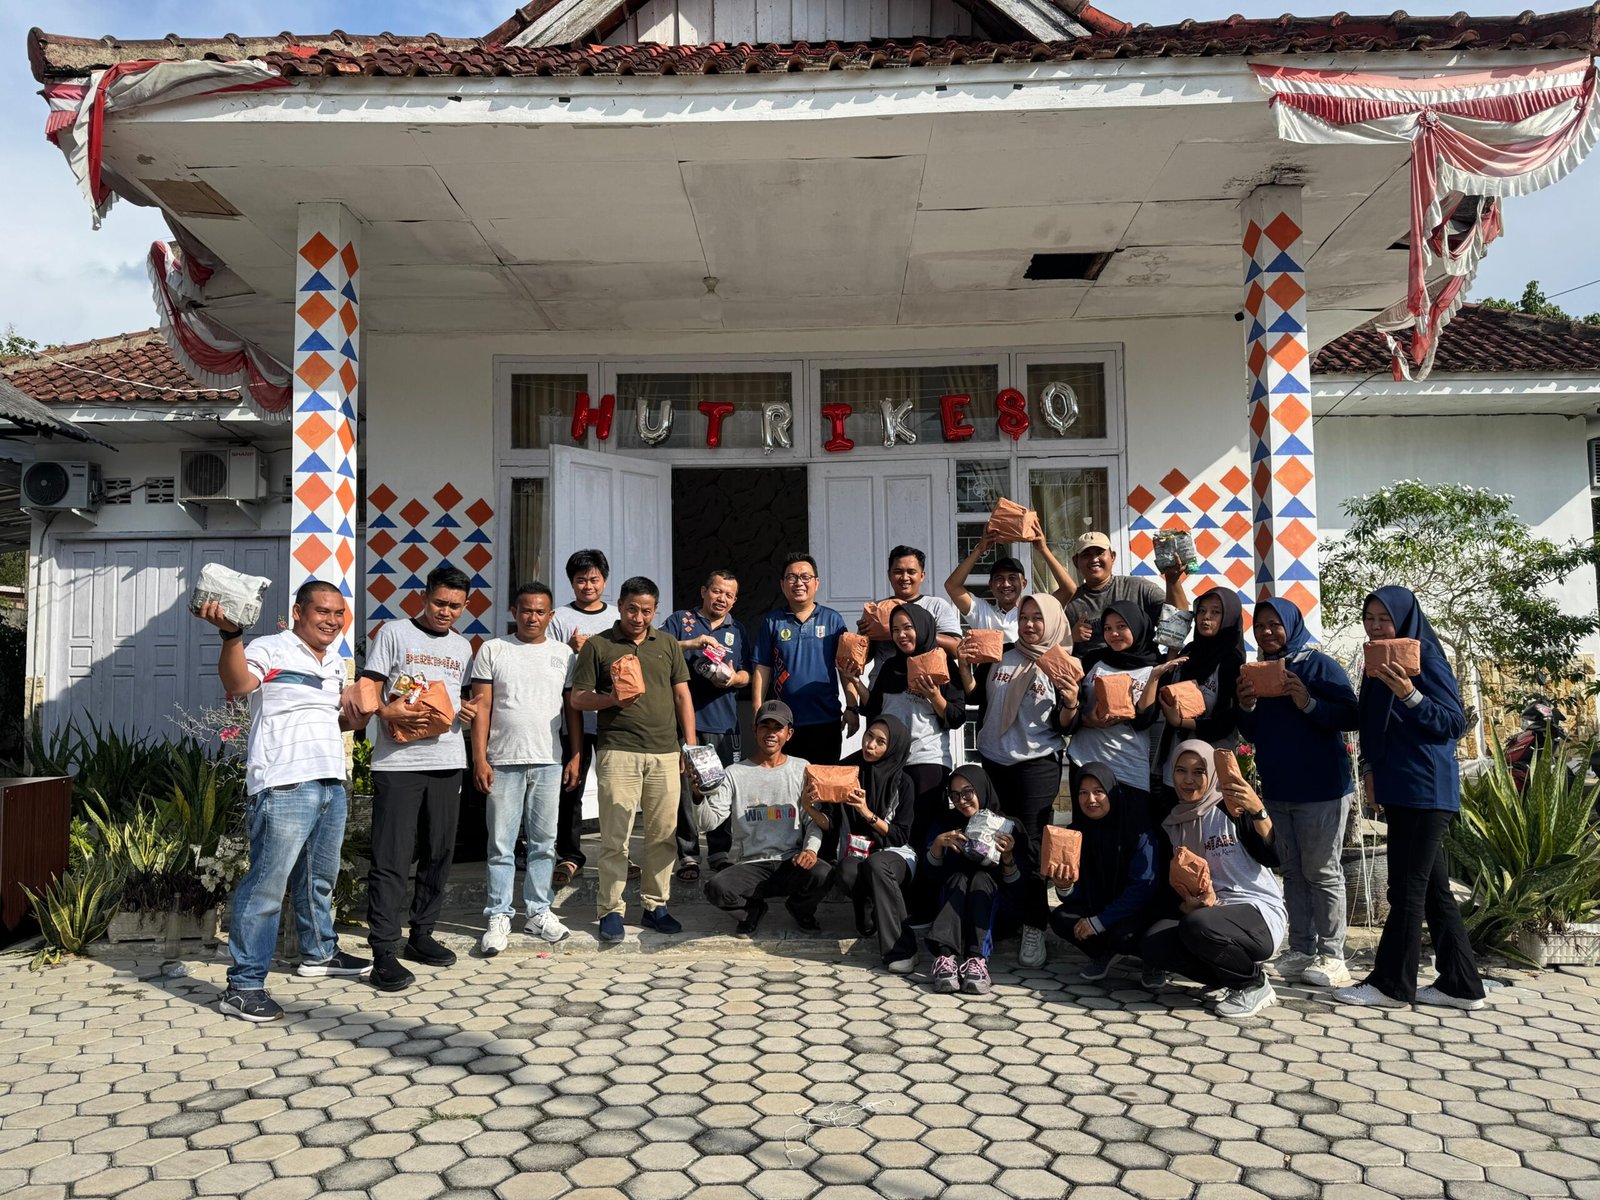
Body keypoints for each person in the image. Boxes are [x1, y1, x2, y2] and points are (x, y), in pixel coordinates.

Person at [197, 581, 371, 1022]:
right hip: (283, 783)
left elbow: (325, 718)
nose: (332, 620)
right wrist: (231, 636)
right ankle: (243, 986)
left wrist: (352, 719)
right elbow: (238, 683)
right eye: (322, 611)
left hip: (330, 780)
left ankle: (320, 953)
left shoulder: (335, 662)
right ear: (298, 612)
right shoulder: (269, 647)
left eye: (339, 613)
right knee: (266, 886)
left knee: (318, 879)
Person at [1336, 587, 1485, 1011]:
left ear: (1403, 618)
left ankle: (1390, 985)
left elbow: (1452, 723)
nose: (1375, 626)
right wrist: (1369, 771)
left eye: (1384, 618)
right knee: (1434, 892)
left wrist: (1410, 694)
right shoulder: (1376, 662)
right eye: (1369, 618)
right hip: (1398, 788)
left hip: (1425, 789)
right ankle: (1461, 985)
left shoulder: (1426, 657)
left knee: (1405, 889)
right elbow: (1370, 724)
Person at [360, 566, 478, 992]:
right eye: (439, 602)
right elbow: (369, 686)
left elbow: (460, 696)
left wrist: (467, 711)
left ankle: (422, 934)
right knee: (391, 858)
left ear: (466, 606)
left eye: (455, 606)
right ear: (424, 596)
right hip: (398, 764)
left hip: (448, 759)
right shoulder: (393, 633)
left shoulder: (462, 647)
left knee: (439, 852)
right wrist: (382, 710)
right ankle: (383, 952)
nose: (446, 611)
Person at [1237, 597, 1361, 990]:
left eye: (1274, 624)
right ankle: (1302, 948)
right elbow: (1253, 733)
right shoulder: (1258, 672)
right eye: (1260, 626)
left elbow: (1351, 715)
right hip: (1279, 788)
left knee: (1322, 871)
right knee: (1291, 871)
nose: (1267, 632)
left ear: (1291, 625)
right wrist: (1246, 705)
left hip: (1322, 789)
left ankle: (1333, 955)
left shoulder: (1318, 666)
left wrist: (1308, 702)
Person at [570, 576, 697, 943]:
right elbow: (578, 698)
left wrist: (689, 747)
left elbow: (682, 696)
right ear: (620, 606)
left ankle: (656, 905)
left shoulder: (668, 644)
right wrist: (611, 699)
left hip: (665, 752)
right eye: (631, 610)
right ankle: (610, 909)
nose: (638, 618)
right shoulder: (598, 645)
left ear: (655, 610)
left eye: (646, 611)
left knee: (663, 835)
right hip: (618, 750)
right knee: (615, 836)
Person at [470, 582, 579, 956]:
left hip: (548, 760)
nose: (533, 617)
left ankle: (538, 911)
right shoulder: (493, 650)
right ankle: (499, 914)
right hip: (502, 761)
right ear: (514, 612)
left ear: (551, 615)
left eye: (540, 611)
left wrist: (576, 754)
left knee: (544, 843)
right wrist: (480, 758)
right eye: (527, 610)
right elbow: (481, 707)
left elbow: (572, 710)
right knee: (501, 844)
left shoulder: (563, 654)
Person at [971, 592, 1079, 970]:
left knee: (1031, 846)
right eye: (1024, 617)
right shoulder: (1000, 655)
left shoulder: (1063, 664)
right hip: (994, 760)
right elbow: (976, 697)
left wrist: (1070, 702)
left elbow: (1065, 726)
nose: (1029, 624)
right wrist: (965, 665)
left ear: (1052, 621)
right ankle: (1003, 915)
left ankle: (1034, 924)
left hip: (1036, 764)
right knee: (993, 840)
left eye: (1037, 618)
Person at [1142, 740, 1286, 1018]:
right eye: (1181, 771)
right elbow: (1174, 890)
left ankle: (1254, 984)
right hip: (1210, 915)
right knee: (1154, 942)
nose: (1188, 780)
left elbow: (1277, 857)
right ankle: (1229, 980)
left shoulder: (1232, 809)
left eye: (1199, 772)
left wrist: (1258, 810)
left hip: (1257, 913)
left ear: (1212, 774)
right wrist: (1188, 905)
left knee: (1198, 925)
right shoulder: (1173, 823)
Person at [702, 701, 835, 934]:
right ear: (755, 730)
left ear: (789, 734)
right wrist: (698, 797)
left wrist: (810, 850)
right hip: (750, 865)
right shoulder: (733, 773)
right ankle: (751, 911)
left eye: (778, 727)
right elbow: (708, 822)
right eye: (765, 726)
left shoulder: (802, 769)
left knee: (824, 873)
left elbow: (812, 819)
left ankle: (800, 908)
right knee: (716, 888)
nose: (771, 733)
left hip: (791, 861)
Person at [662, 568, 750, 882]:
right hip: (682, 721)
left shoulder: (737, 630)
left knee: (719, 787)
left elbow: (748, 673)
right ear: (704, 591)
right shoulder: (680, 621)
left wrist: (733, 678)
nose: (722, 598)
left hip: (723, 723)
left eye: (729, 595)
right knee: (685, 789)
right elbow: (656, 648)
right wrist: (691, 644)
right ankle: (688, 854)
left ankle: (719, 852)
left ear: (735, 600)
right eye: (717, 591)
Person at [853, 604, 966, 843]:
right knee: (893, 827)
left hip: (926, 760)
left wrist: (934, 696)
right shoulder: (890, 667)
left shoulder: (942, 663)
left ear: (923, 627)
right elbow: (874, 708)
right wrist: (854, 681)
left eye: (908, 628)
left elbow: (956, 717)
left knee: (925, 831)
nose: (901, 635)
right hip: (891, 762)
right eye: (895, 630)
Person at [547, 549, 622, 890]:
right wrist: (569, 647)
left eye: (594, 579)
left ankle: (618, 853)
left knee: (616, 789)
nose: (588, 586)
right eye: (581, 580)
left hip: (613, 716)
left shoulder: (618, 616)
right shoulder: (559, 618)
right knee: (571, 786)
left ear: (604, 580)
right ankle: (569, 854)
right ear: (571, 582)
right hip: (573, 716)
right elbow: (547, 662)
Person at [1045, 762, 1160, 981]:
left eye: (1098, 792)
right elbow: (1080, 894)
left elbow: (1142, 888)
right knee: (1061, 918)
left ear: (1112, 792)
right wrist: (1065, 887)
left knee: (1124, 936)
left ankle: (1152, 960)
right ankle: (1104, 953)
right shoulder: (1075, 833)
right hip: (1099, 907)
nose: (1090, 800)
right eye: (1083, 793)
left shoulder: (1137, 831)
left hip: (1135, 911)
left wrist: (1099, 922)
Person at [923, 765, 1032, 995]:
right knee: (959, 878)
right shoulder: (946, 823)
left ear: (981, 789)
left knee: (981, 878)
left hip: (994, 916)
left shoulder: (1008, 826)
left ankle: (977, 961)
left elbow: (1020, 889)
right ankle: (945, 959)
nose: (961, 801)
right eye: (955, 795)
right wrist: (937, 846)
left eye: (967, 793)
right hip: (953, 914)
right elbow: (930, 878)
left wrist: (1008, 857)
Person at [823, 716, 919, 971]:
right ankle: (868, 910)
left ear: (894, 746)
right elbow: (830, 822)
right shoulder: (847, 772)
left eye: (880, 742)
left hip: (894, 853)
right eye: (869, 736)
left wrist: (866, 813)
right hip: (858, 852)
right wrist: (810, 806)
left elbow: (899, 836)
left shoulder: (903, 782)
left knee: (877, 864)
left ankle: (903, 950)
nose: (870, 745)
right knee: (846, 871)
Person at [1070, 601, 1172, 817]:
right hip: (1085, 761)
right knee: (1089, 833)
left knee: (1131, 829)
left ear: (1137, 626)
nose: (1113, 634)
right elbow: (1070, 709)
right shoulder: (1092, 661)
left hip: (1129, 767)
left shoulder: (1155, 666)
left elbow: (1144, 721)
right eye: (1108, 628)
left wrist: (1153, 678)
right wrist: (1088, 719)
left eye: (1121, 626)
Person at [752, 552, 850, 765]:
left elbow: (844, 667)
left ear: (817, 582)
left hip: (826, 719)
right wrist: (757, 709)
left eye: (805, 577)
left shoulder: (833, 620)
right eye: (792, 577)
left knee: (824, 781)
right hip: (783, 722)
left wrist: (852, 706)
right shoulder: (772, 622)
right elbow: (763, 668)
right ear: (782, 584)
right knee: (786, 782)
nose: (799, 583)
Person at [1155, 589, 1247, 806]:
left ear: (1229, 618)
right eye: (1202, 611)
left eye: (1215, 612)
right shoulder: (1189, 651)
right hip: (1176, 766)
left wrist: (1180, 721)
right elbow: (1165, 690)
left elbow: (1226, 722)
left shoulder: (1232, 662)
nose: (1206, 617)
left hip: (1210, 771)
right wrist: (1172, 651)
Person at [1066, 531, 1188, 657]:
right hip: (1089, 668)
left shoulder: (1139, 587)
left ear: (1112, 556)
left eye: (1100, 553)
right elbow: (1054, 647)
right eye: (1086, 555)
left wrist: (1173, 582)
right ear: (1076, 561)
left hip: (1142, 666)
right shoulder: (1068, 601)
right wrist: (1070, 637)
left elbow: (1178, 619)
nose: (1094, 559)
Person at [944, 530, 1078, 641]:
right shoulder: (982, 612)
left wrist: (1043, 549)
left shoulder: (1037, 612)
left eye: (1012, 578)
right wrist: (980, 549)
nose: (1006, 584)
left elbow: (1069, 589)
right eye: (1000, 579)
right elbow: (952, 586)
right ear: (990, 585)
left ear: (1024, 584)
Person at [861, 546, 962, 658]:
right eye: (898, 572)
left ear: (922, 576)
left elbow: (957, 649)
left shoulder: (937, 605)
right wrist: (864, 637)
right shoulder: (876, 609)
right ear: (889, 575)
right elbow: (862, 658)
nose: (905, 577)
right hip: (887, 669)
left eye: (911, 572)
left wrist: (920, 632)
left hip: (927, 669)